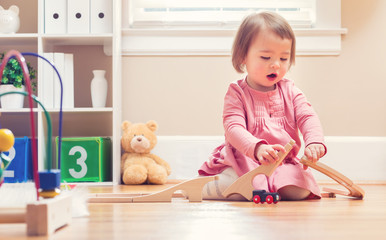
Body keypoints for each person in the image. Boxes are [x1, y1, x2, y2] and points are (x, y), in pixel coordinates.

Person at [198, 12, 327, 201]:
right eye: (266, 57)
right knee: (246, 186)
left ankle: (272, 186)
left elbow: (308, 117)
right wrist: (256, 148)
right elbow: (233, 128)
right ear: (243, 56)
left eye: (283, 59)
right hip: (245, 159)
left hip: (282, 163)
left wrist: (314, 141)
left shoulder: (290, 91)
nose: (275, 65)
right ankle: (214, 187)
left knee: (300, 191)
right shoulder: (237, 93)